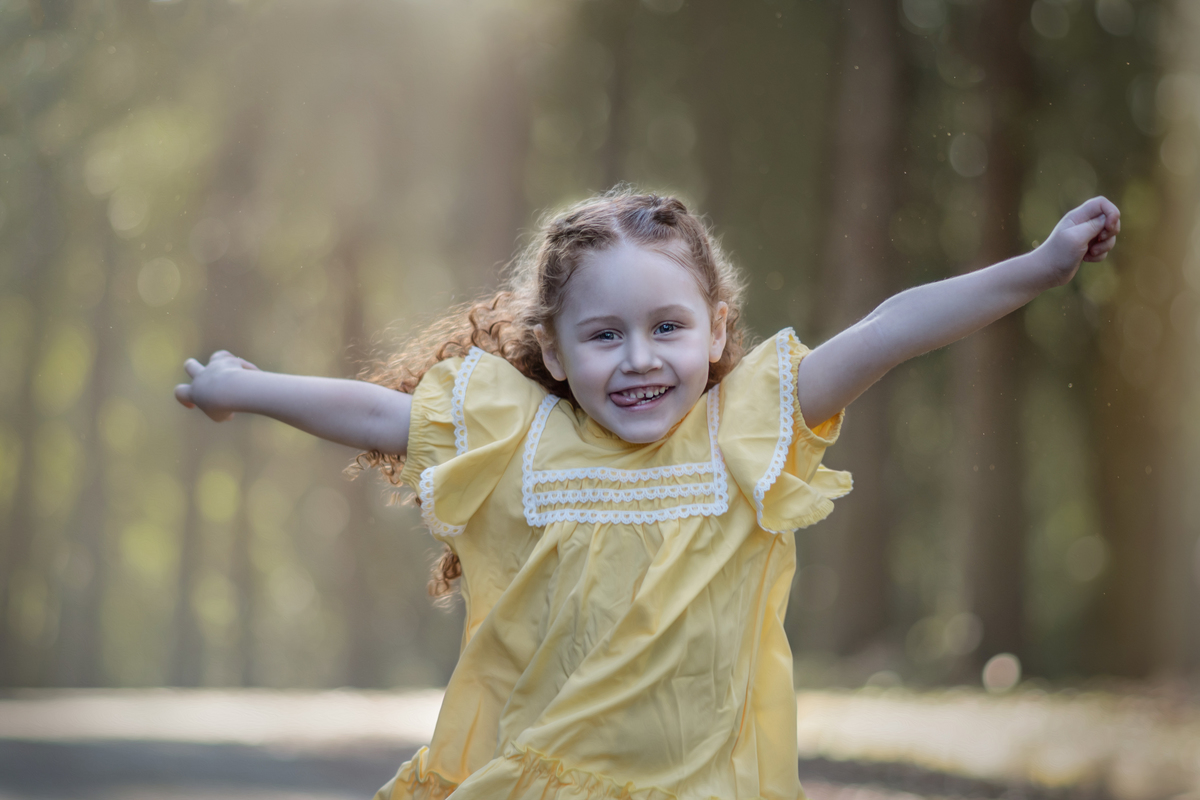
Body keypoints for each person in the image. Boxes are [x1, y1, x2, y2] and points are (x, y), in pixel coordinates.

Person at [175, 188, 1120, 800]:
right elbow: (376, 416)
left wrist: (1039, 265)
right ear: (551, 349)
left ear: (715, 333)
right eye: (603, 336)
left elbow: (888, 329)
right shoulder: (519, 440)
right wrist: (244, 390)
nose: (638, 360)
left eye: (666, 327)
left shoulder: (748, 434)